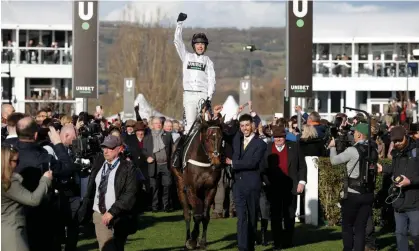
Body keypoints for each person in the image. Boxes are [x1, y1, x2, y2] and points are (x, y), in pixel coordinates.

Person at [172, 12, 216, 169]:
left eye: (203, 44)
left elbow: (212, 80)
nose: (200, 46)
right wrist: (179, 24)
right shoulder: (187, 57)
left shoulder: (208, 61)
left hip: (203, 97)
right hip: (189, 96)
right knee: (190, 127)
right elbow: (177, 42)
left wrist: (209, 98)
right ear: (193, 46)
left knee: (208, 126)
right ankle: (181, 158)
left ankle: (211, 157)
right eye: (198, 44)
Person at [329, 123, 378, 251]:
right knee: (360, 227)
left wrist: (332, 147)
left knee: (347, 225)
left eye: (354, 132)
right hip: (368, 193)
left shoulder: (352, 150)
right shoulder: (374, 148)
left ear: (359, 134)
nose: (353, 135)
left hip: (352, 193)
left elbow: (334, 161)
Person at [261, 126, 307, 250]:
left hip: (290, 186)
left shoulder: (294, 146)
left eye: (281, 137)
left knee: (290, 215)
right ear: (272, 138)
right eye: (276, 137)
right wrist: (266, 183)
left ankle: (288, 240)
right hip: (273, 187)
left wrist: (302, 182)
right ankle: (277, 242)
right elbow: (263, 167)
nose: (278, 139)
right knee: (275, 216)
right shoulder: (267, 148)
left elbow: (302, 165)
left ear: (285, 137)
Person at [226, 114, 267, 251]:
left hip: (252, 184)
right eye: (242, 126)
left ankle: (250, 245)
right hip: (238, 185)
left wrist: (233, 163)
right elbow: (226, 132)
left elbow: (252, 163)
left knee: (253, 217)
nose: (245, 128)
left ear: (253, 126)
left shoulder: (260, 143)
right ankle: (242, 247)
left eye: (247, 125)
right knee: (241, 218)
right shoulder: (237, 140)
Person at [1, 146, 53, 251]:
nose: (18, 164)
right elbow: (33, 200)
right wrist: (45, 180)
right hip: (12, 233)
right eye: (16, 161)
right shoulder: (8, 183)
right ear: (6, 161)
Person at [377, 126, 419, 251]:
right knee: (400, 234)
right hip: (398, 201)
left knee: (416, 235)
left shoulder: (417, 151)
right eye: (394, 141)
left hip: (415, 202)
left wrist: (410, 182)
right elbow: (395, 169)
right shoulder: (396, 153)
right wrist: (384, 169)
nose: (397, 143)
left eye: (399, 140)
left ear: (406, 136)